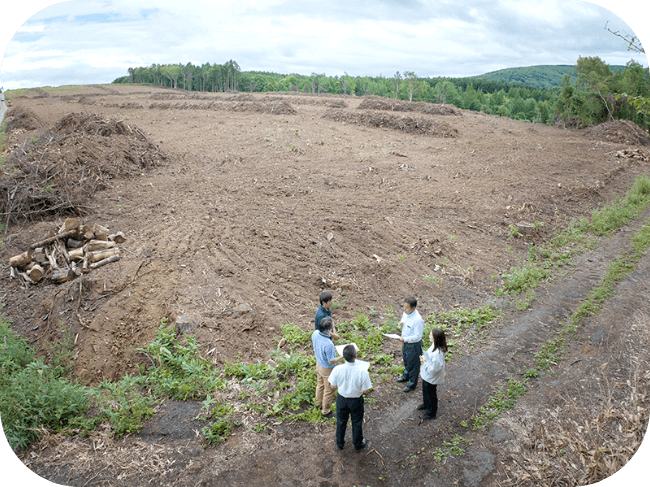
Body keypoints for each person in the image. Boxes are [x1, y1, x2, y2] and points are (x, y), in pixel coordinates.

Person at [328, 344, 372, 452]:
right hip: (356, 400)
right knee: (357, 422)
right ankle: (358, 444)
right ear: (356, 356)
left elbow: (332, 386)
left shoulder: (337, 369)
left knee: (341, 421)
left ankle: (339, 443)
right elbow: (366, 390)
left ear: (343, 356)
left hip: (342, 399)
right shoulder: (362, 371)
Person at [311, 317, 343, 418]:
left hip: (319, 364)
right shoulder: (328, 344)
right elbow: (331, 361)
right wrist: (342, 356)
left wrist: (331, 333)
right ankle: (326, 411)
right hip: (327, 369)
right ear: (328, 330)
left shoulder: (315, 333)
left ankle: (318, 404)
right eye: (332, 327)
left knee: (320, 385)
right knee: (329, 390)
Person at [396, 296, 424, 392]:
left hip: (414, 346)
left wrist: (405, 339)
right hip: (406, 343)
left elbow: (418, 336)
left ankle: (412, 384)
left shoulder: (417, 320)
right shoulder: (406, 313)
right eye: (403, 306)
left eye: (407, 307)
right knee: (407, 361)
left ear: (413, 308)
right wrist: (401, 323)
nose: (404, 309)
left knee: (414, 365)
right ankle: (406, 376)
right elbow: (404, 319)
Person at [418, 328, 447, 420]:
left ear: (435, 338)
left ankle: (431, 412)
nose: (429, 336)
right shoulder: (435, 345)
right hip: (427, 376)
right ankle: (426, 404)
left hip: (431, 377)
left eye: (431, 335)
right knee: (425, 391)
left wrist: (424, 362)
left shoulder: (437, 354)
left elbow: (433, 370)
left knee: (431, 394)